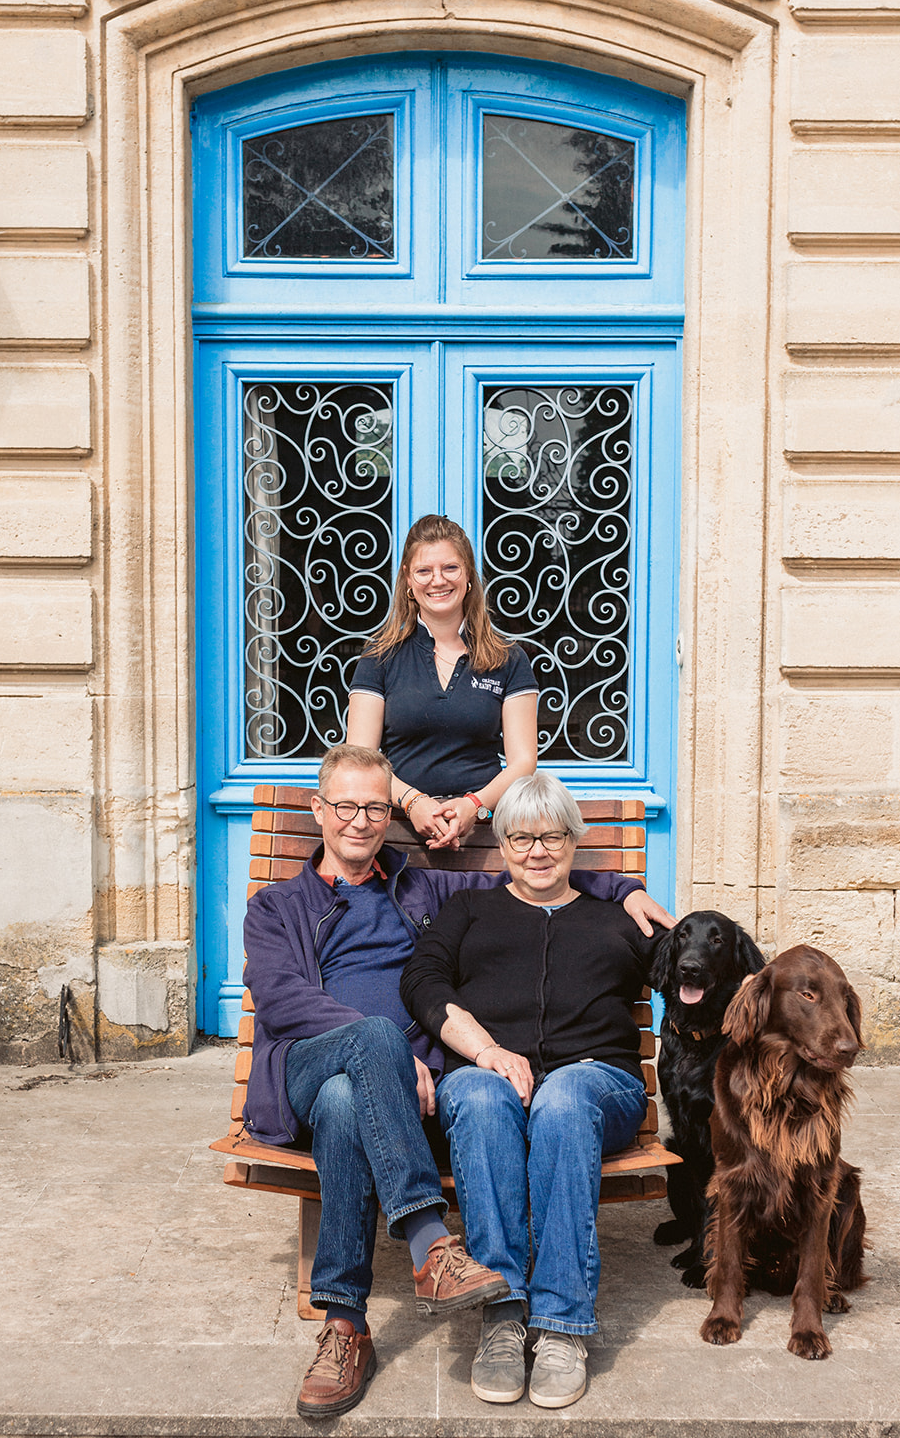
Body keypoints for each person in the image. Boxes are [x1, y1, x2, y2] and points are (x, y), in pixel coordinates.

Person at [242, 745, 671, 1418]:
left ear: (389, 815)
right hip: (308, 1065)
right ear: (319, 810)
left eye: (375, 808)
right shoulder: (277, 907)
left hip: (377, 1094)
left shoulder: (425, 891)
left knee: (348, 1101)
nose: (360, 820)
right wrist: (381, 1051)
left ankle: (345, 1328)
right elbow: (280, 1000)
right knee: (363, 1055)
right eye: (346, 806)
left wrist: (624, 888)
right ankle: (429, 1244)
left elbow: (532, 877)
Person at [400, 771, 670, 1410]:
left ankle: (561, 1325)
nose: (537, 852)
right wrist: (485, 1052)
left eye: (552, 837)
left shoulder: (617, 919)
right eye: (521, 839)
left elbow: (692, 975)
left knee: (564, 1098)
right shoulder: (470, 911)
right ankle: (502, 1313)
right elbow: (422, 980)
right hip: (488, 1075)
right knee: (481, 1098)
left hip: (597, 1084)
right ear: (501, 844)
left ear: (575, 841)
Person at [346, 514, 537, 849]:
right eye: (424, 571)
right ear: (408, 578)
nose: (438, 580)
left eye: (450, 568)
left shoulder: (509, 658)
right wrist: (413, 802)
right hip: (398, 831)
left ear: (468, 575)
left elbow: (523, 763)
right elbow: (360, 759)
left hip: (487, 833)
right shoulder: (379, 657)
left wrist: (474, 805)